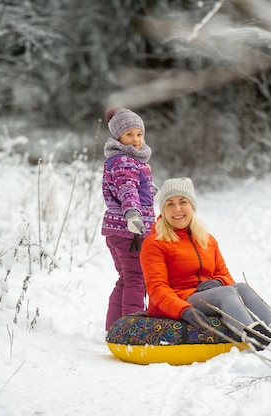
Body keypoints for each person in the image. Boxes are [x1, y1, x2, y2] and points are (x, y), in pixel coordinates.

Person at [139, 177, 271, 350]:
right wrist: (183, 310)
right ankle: (257, 339)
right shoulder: (154, 243)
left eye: (182, 202)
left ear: (192, 206)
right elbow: (156, 288)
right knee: (224, 295)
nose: (177, 209)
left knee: (242, 287)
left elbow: (226, 277)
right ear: (163, 209)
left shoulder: (208, 240)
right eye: (170, 204)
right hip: (178, 299)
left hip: (209, 295)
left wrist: (219, 282)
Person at [102, 107, 156, 330]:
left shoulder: (123, 161)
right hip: (129, 230)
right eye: (129, 135)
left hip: (117, 230)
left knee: (126, 278)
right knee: (136, 278)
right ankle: (132, 330)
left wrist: (152, 189)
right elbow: (127, 190)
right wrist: (133, 214)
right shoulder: (124, 161)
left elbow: (136, 188)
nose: (135, 140)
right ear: (118, 137)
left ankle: (114, 327)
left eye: (139, 134)